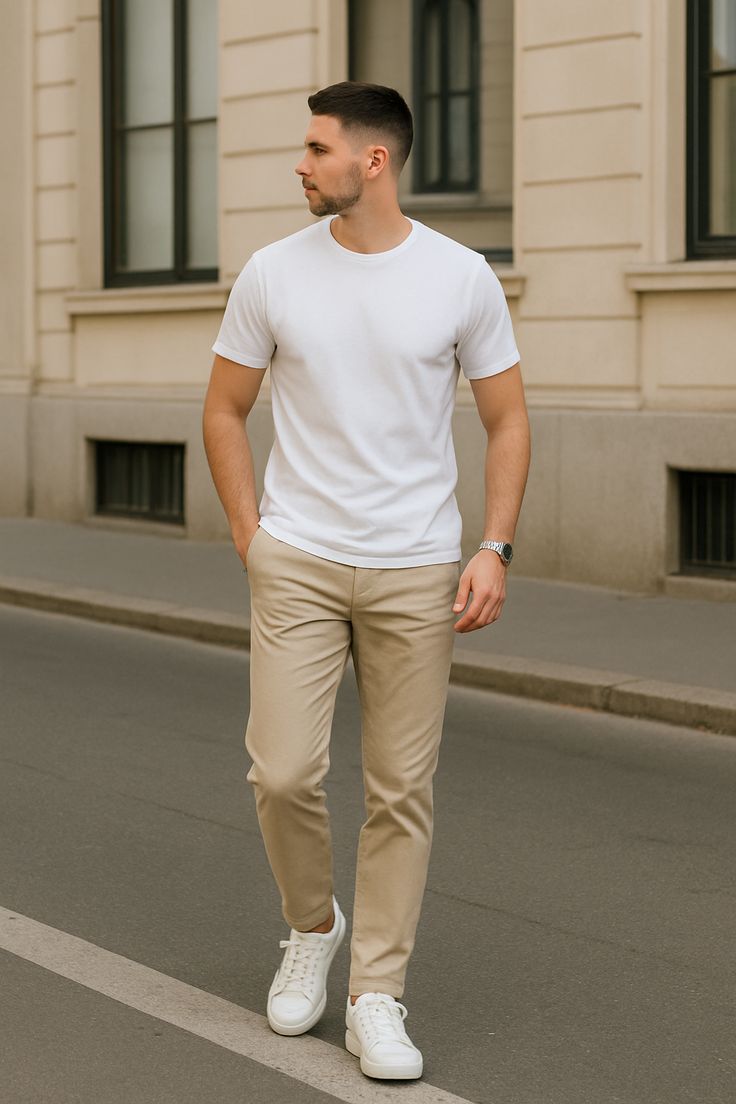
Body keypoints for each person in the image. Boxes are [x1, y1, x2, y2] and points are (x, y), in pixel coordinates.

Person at [203, 81, 530, 1081]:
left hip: (415, 565)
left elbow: (505, 419)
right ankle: (313, 924)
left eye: (315, 148)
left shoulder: (460, 277)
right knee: (285, 771)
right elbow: (224, 410)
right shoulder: (271, 273)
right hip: (296, 559)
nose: (299, 165)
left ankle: (375, 994)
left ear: (372, 161)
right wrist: (250, 535)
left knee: (401, 790)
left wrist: (494, 546)